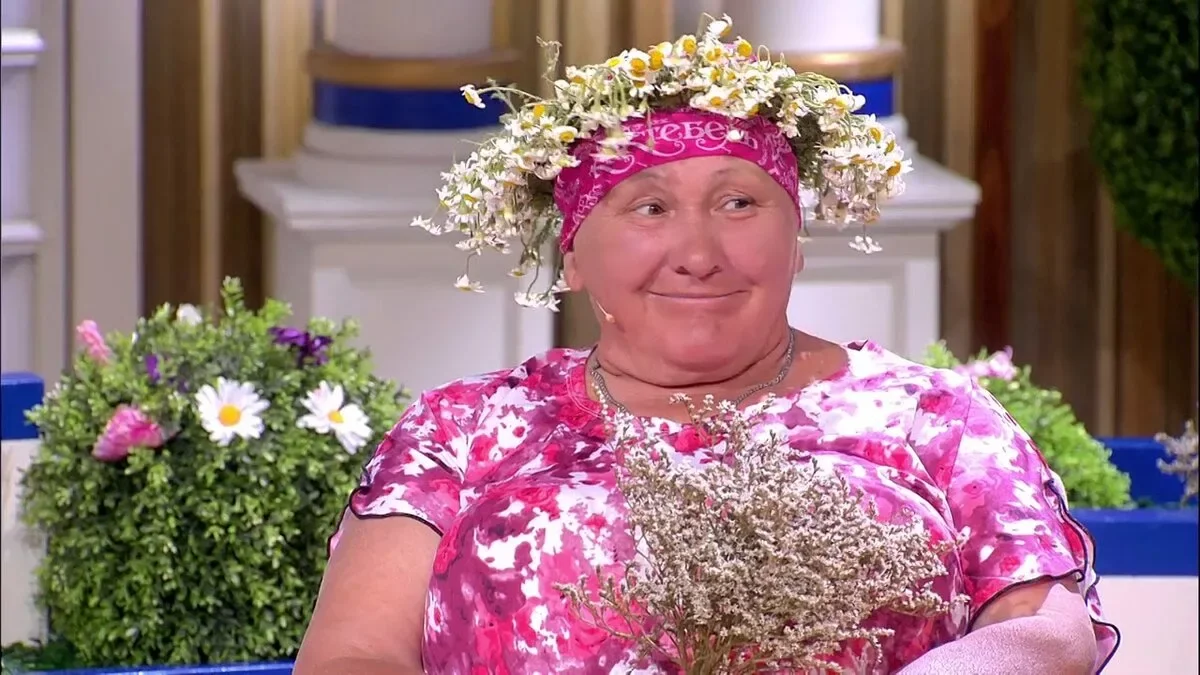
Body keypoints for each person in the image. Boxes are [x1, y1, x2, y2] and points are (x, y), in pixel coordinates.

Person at [293, 17, 1118, 675]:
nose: (697, 253)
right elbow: (353, 655)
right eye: (649, 208)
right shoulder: (465, 428)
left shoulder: (933, 417)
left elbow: (1047, 630)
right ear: (572, 254)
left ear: (797, 240)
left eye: (738, 203)